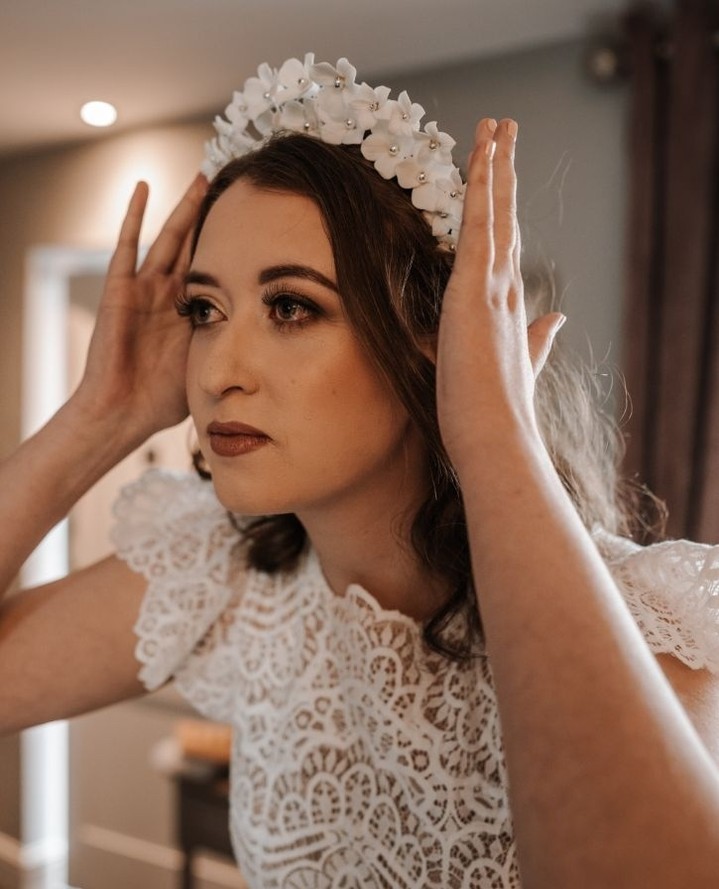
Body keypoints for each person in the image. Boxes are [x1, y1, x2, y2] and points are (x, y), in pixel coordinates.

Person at [1, 55, 718, 888]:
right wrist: (99, 418)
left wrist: (493, 434)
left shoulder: (658, 633)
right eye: (205, 309)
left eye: (291, 306)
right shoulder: (227, 577)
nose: (217, 371)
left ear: (435, 337)